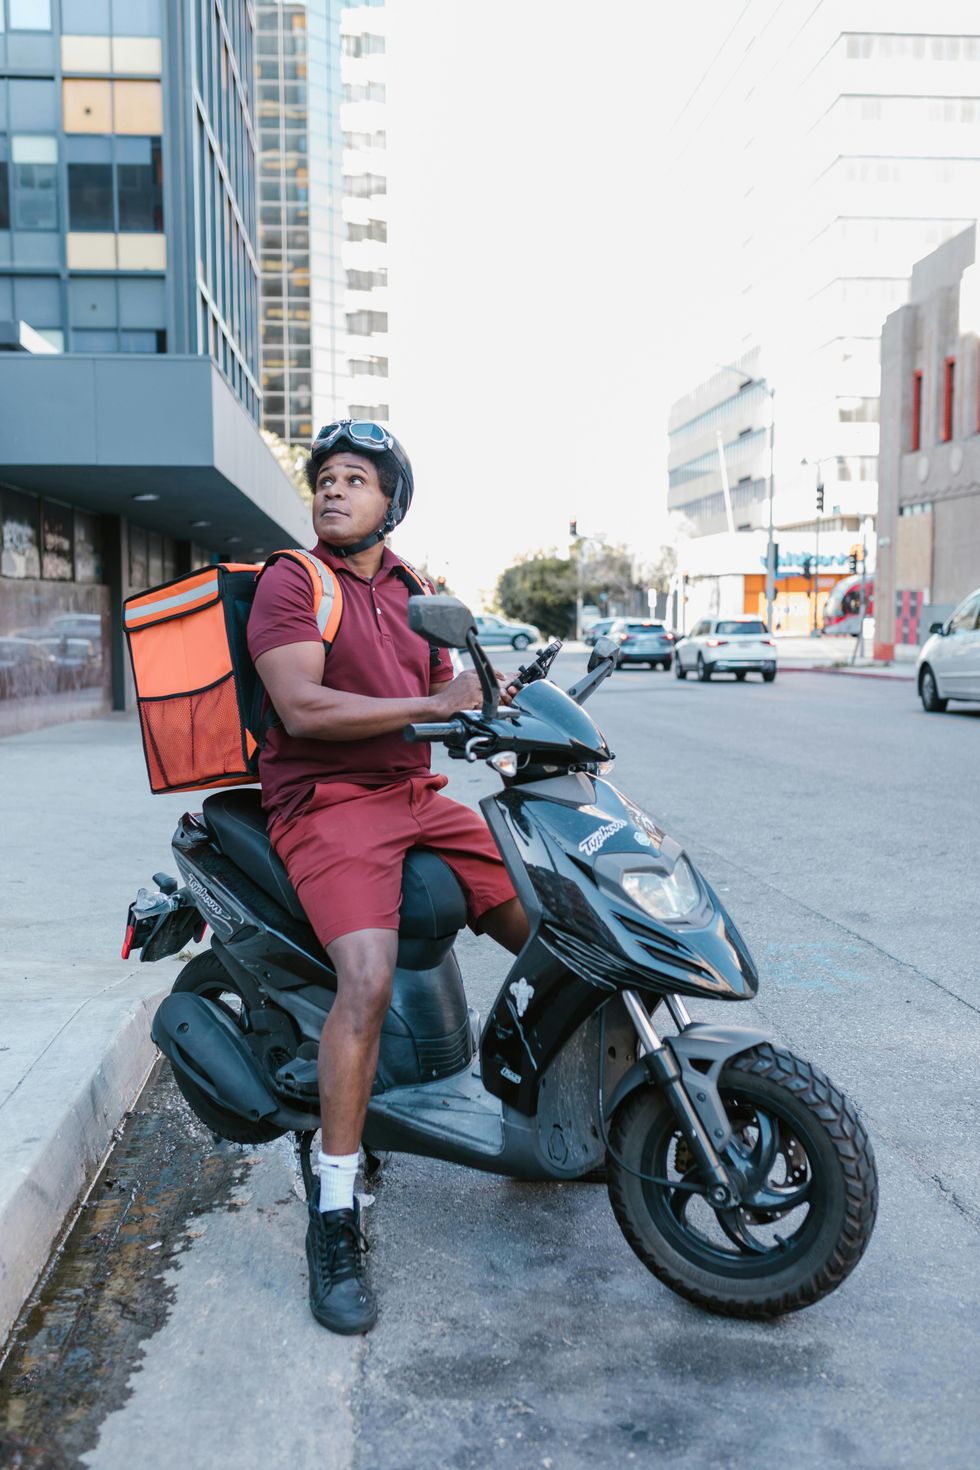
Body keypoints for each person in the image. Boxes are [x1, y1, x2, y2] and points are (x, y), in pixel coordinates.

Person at [246, 420, 529, 1335]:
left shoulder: (418, 590)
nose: (333, 490)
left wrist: (494, 704)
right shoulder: (295, 581)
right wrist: (432, 705)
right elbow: (301, 704)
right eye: (325, 477)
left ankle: (535, 1096)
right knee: (363, 980)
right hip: (327, 801)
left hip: (415, 795)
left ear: (390, 503)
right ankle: (335, 1212)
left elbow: (457, 695)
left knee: (558, 924)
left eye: (355, 479)